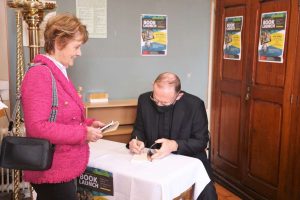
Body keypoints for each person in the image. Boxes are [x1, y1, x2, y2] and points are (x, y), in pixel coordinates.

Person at [21, 13, 105, 200]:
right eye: (76, 46)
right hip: (52, 170)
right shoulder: (40, 74)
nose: (79, 52)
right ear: (59, 42)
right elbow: (38, 127)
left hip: (61, 167)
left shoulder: (57, 71)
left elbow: (62, 115)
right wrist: (84, 133)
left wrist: (89, 123)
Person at [128, 72, 217, 200]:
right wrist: (136, 140)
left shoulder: (195, 105)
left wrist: (175, 145)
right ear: (153, 86)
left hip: (188, 157)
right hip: (154, 158)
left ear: (179, 95)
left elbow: (201, 141)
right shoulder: (144, 99)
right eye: (155, 99)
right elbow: (139, 129)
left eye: (164, 103)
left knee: (206, 193)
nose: (158, 105)